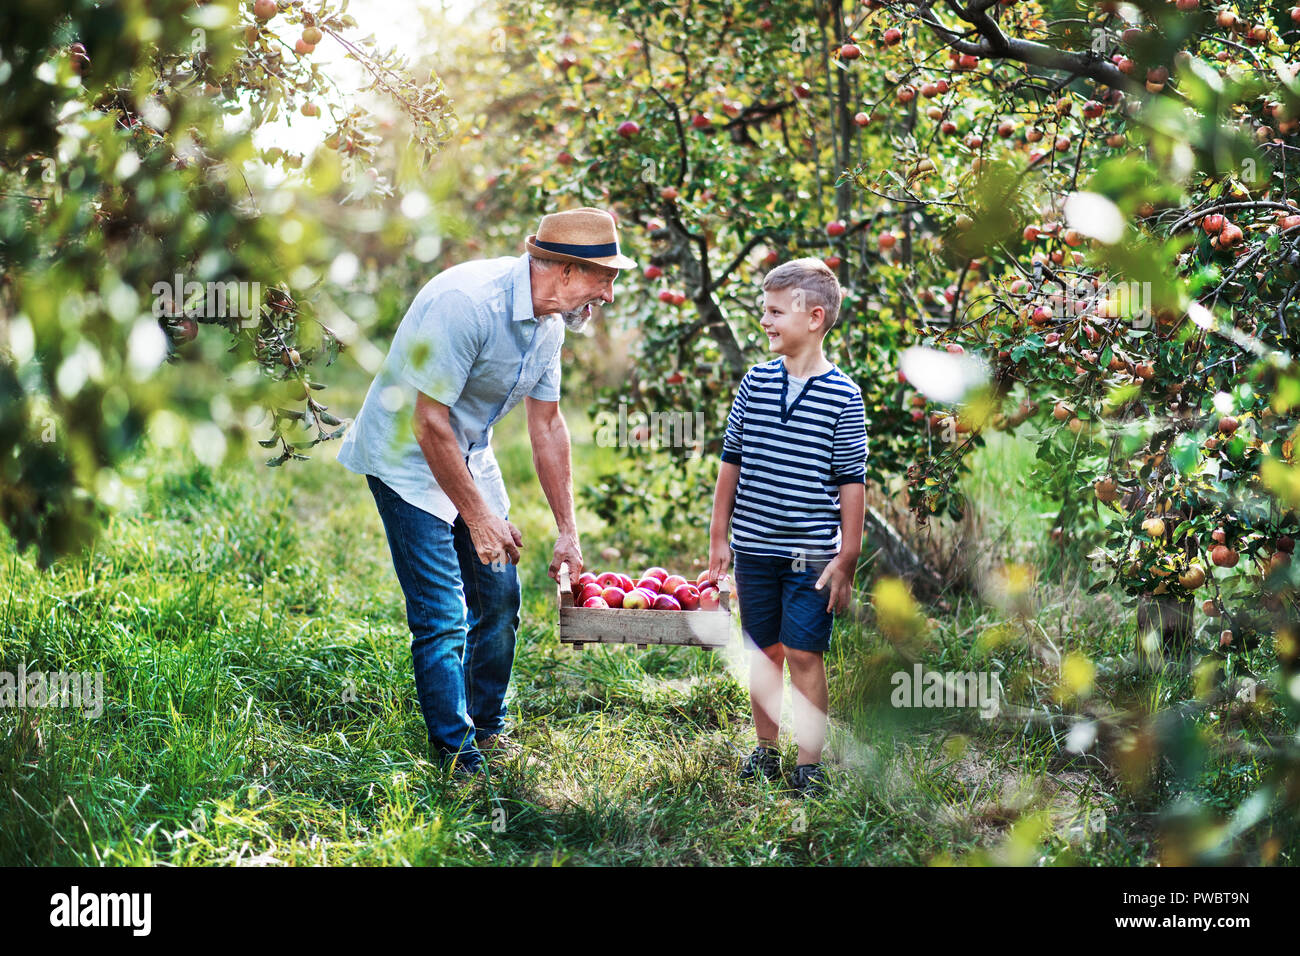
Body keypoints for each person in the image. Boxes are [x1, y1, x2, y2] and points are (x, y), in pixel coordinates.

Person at [336, 207, 635, 775]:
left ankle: (488, 725)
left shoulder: (549, 326)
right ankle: (455, 752)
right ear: (566, 272)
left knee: (499, 599)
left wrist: (568, 531)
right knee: (443, 614)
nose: (609, 296)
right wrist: (477, 518)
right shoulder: (469, 304)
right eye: (604, 279)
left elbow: (546, 427)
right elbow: (428, 423)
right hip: (405, 455)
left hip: (468, 452)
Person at [707, 257, 867, 797]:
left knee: (803, 652)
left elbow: (851, 483)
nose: (766, 321)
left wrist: (848, 556)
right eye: (764, 311)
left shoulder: (843, 396)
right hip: (754, 547)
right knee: (764, 651)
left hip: (811, 557)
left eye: (775, 311)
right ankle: (765, 748)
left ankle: (809, 762)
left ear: (814, 317)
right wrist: (718, 537)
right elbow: (731, 463)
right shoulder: (754, 382)